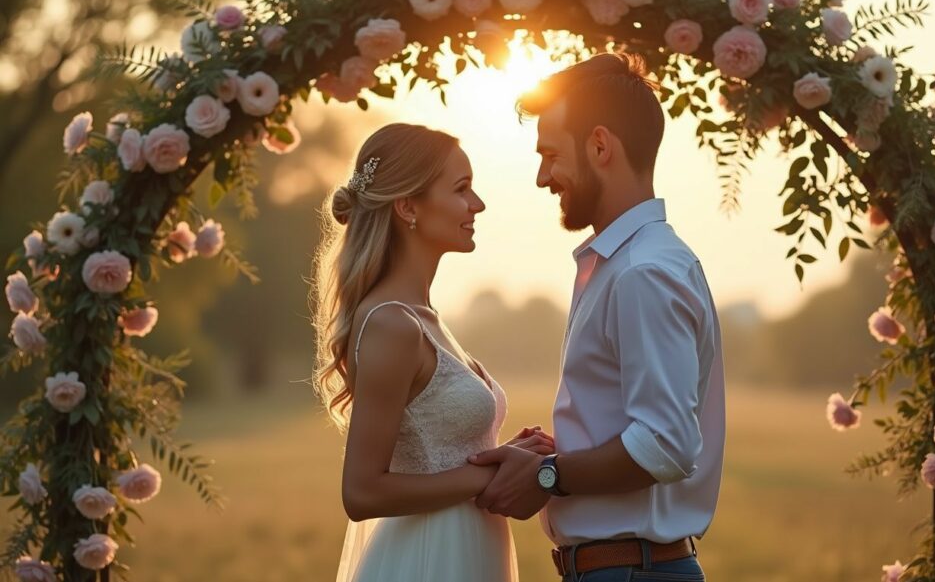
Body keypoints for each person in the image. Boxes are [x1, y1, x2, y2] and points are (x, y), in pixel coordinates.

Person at [468, 52, 727, 582]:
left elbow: (665, 444)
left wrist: (545, 475)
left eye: (550, 154)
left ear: (601, 145)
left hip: (632, 572)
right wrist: (563, 452)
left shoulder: (642, 272)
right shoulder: (624, 265)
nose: (543, 177)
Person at [311, 123, 553, 582]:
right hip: (428, 558)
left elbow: (441, 454)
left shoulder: (427, 319)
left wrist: (507, 455)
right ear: (407, 207)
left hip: (467, 549)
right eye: (462, 189)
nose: (477, 204)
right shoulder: (391, 324)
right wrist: (495, 475)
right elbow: (362, 492)